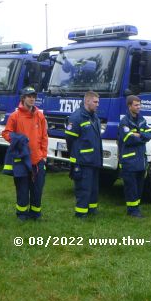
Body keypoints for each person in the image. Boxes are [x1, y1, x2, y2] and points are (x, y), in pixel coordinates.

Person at [2, 86, 49, 220]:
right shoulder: (14, 116)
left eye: (34, 96)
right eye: (29, 96)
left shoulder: (40, 115)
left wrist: (44, 156)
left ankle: (35, 214)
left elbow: (44, 136)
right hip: (21, 159)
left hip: (38, 160)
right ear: (23, 98)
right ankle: (22, 214)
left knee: (37, 189)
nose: (32, 99)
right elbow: (6, 133)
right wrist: (17, 138)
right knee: (22, 189)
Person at [65, 90, 103, 218]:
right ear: (87, 101)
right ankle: (80, 214)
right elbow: (70, 140)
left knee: (93, 189)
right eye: (95, 102)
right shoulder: (76, 117)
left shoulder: (95, 117)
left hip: (94, 160)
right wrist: (75, 158)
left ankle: (92, 210)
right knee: (83, 189)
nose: (97, 104)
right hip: (83, 161)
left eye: (98, 102)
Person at [118, 95, 151, 218]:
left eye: (139, 105)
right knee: (131, 187)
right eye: (136, 105)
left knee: (139, 187)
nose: (139, 107)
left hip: (140, 160)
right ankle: (132, 211)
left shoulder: (142, 119)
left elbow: (150, 134)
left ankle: (136, 208)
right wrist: (141, 137)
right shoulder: (124, 122)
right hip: (129, 160)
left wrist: (139, 135)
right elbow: (128, 139)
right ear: (129, 106)